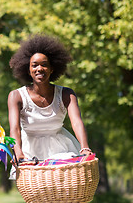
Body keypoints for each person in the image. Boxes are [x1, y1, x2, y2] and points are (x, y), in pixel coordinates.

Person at [8, 34, 93, 164]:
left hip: (62, 151)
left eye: (44, 65)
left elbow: (76, 122)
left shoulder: (66, 94)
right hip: (29, 152)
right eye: (34, 65)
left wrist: (85, 147)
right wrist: (18, 152)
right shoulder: (16, 96)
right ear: (28, 70)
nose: (39, 69)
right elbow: (15, 128)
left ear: (52, 69)